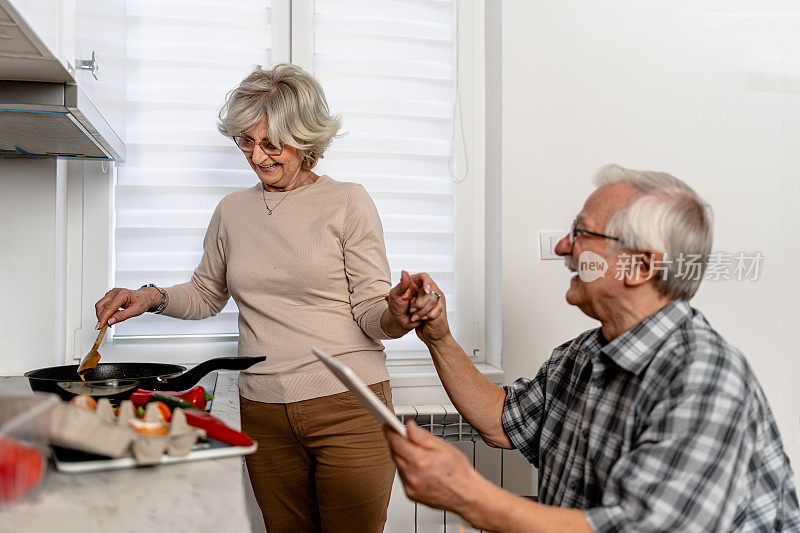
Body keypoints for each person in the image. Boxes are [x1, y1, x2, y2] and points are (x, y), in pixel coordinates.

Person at [94, 63, 423, 532]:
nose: (257, 156)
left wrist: (398, 313)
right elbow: (207, 293)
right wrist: (150, 296)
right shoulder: (232, 209)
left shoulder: (348, 201)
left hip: (349, 405)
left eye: (272, 143)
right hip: (263, 410)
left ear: (306, 139)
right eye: (246, 141)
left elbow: (373, 313)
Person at [384, 164, 800, 532]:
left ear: (640, 265)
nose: (563, 248)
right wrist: (438, 336)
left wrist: (471, 497)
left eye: (581, 233)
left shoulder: (705, 379)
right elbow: (500, 421)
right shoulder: (582, 354)